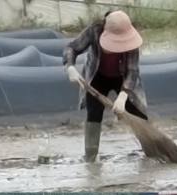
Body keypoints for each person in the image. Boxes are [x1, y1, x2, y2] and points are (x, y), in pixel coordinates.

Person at [63, 10, 148, 162]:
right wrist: (70, 67)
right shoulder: (94, 31)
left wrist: (123, 96)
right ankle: (90, 158)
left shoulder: (132, 42)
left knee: (138, 114)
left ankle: (152, 150)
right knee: (94, 115)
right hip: (97, 76)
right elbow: (72, 48)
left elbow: (132, 71)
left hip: (123, 78)